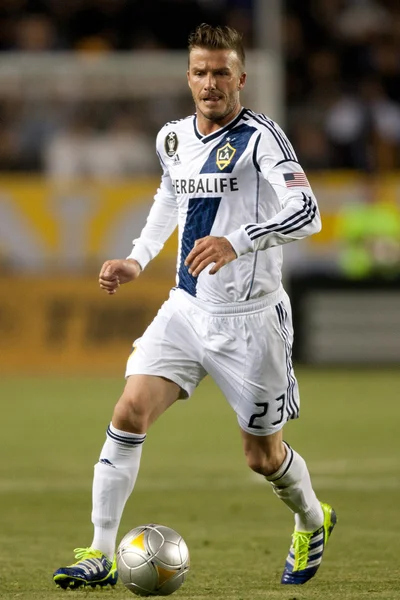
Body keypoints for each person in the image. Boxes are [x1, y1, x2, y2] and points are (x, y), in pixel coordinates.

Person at [53, 23, 336, 589]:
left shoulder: (263, 139)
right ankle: (100, 551)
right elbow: (168, 197)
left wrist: (240, 240)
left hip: (252, 322)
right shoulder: (173, 138)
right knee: (129, 411)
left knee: (262, 458)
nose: (211, 83)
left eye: (221, 73)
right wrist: (136, 258)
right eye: (201, 73)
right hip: (186, 307)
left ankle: (312, 518)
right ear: (188, 78)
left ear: (241, 78)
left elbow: (310, 214)